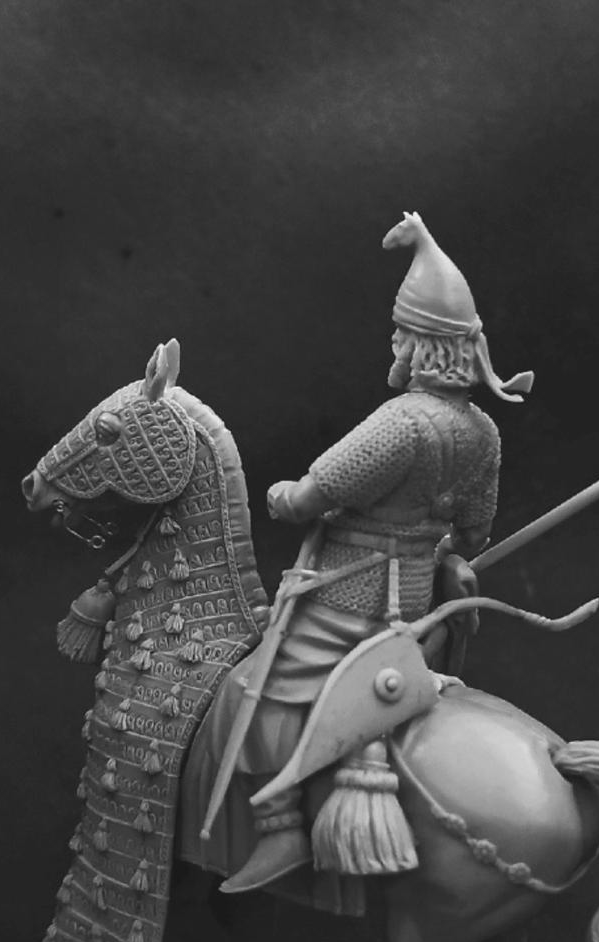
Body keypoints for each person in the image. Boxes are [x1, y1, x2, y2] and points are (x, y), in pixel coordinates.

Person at [180, 211, 534, 897]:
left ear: (421, 346)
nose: (393, 344)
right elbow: (474, 534)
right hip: (415, 604)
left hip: (348, 596)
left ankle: (280, 824)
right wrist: (436, 548)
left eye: (401, 334)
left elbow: (315, 494)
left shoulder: (400, 422)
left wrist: (283, 496)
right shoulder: (484, 433)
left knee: (260, 690)